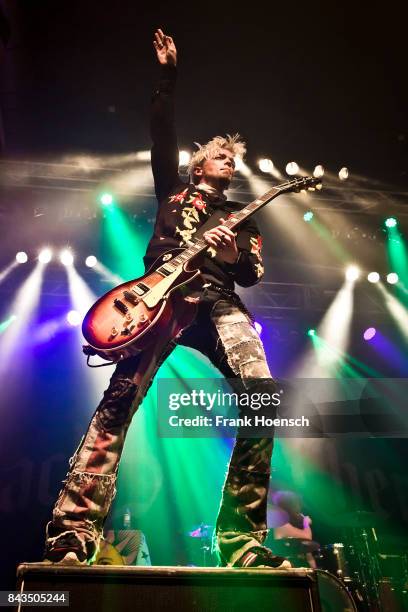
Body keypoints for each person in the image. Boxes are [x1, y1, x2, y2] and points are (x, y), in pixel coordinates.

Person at [43, 29, 290, 570]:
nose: (227, 160)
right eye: (219, 156)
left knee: (263, 396)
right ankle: (73, 532)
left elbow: (249, 275)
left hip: (218, 303)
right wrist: (167, 78)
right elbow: (161, 132)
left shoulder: (243, 217)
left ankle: (241, 541)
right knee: (116, 405)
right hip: (156, 302)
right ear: (198, 166)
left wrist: (229, 259)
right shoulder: (171, 192)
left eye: (232, 158)